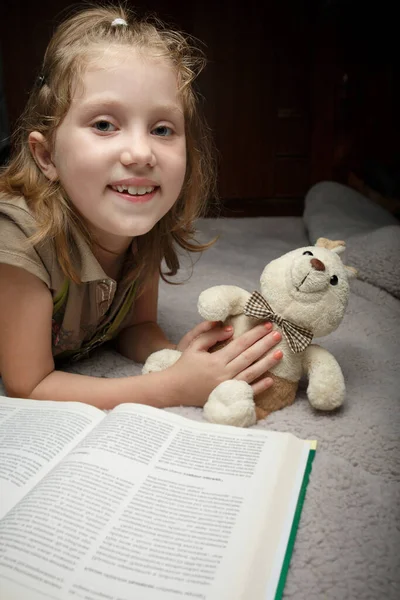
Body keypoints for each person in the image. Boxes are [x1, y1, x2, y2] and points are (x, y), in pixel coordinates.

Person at [0, 5, 283, 410]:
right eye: (104, 125)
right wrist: (171, 389)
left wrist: (178, 360)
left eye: (162, 129)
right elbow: (29, 385)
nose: (140, 153)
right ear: (46, 157)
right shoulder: (18, 237)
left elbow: (136, 325)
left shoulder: (142, 222)